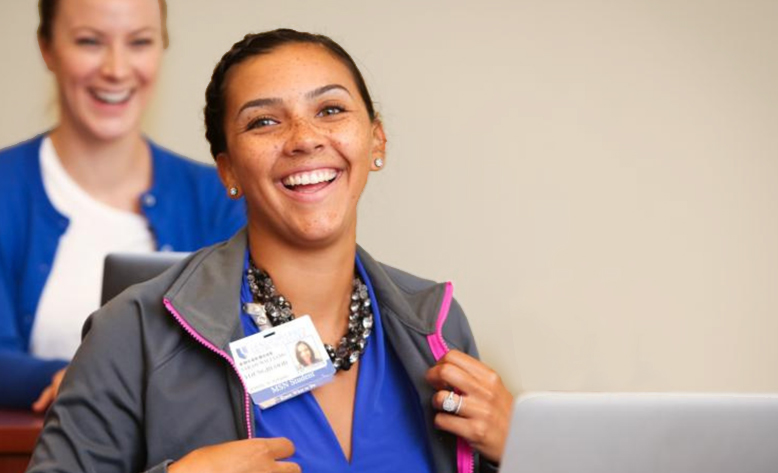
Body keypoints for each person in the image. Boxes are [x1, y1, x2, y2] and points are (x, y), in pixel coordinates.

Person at [28, 29, 513, 472]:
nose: (304, 139)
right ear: (228, 171)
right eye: (263, 122)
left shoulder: (437, 325)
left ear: (376, 138)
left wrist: (521, 447)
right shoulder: (131, 332)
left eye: (330, 110)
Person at [0, 0, 245, 411]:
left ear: (162, 46)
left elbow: (241, 358)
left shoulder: (221, 195)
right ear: (47, 48)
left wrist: (94, 378)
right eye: (90, 41)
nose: (116, 68)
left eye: (139, 42)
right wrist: (92, 381)